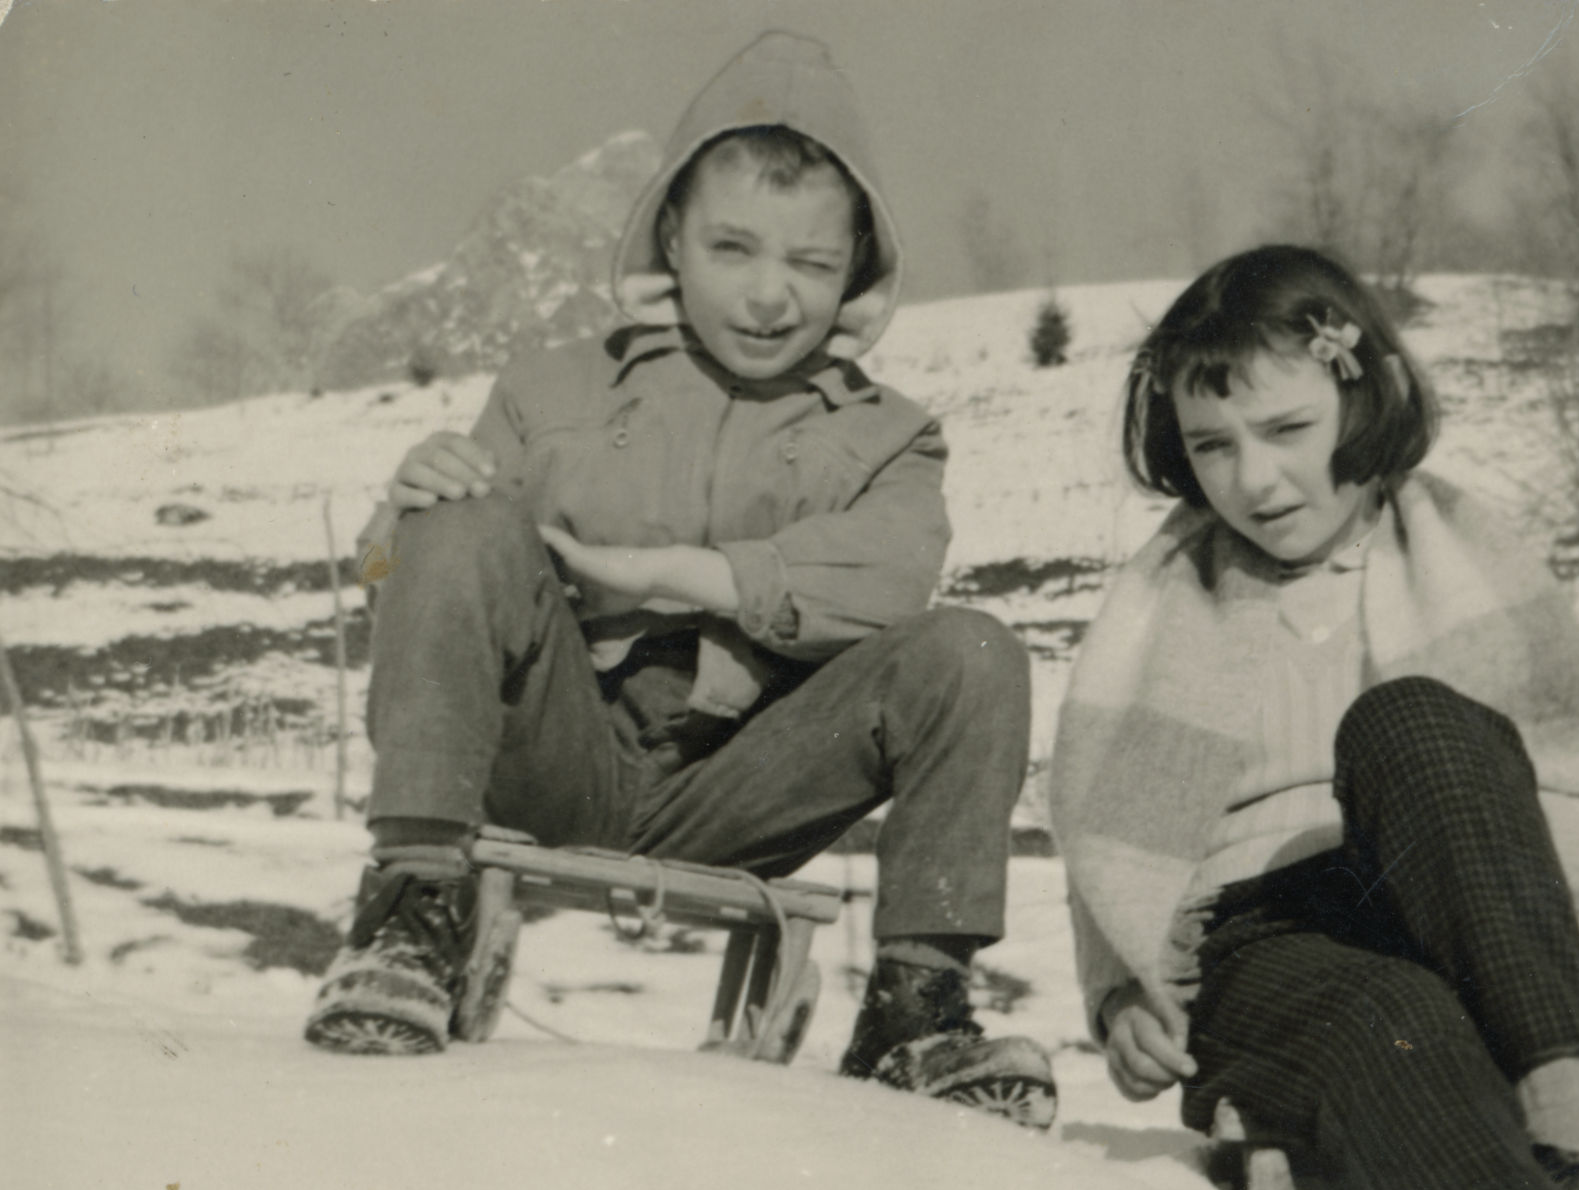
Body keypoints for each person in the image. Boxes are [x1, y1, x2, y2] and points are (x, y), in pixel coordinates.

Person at [302, 31, 1057, 1130]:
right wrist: (407, 507)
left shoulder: (891, 436)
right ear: (670, 236)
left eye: (810, 264)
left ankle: (917, 1004)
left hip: (743, 782)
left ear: (859, 272)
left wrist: (687, 574)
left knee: (972, 651)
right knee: (460, 515)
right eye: (733, 249)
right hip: (556, 750)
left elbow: (895, 580)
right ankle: (412, 911)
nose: (768, 297)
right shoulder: (549, 389)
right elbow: (422, 589)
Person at [1051, 246, 1579, 1190]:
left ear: (1359, 398)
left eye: (1286, 428)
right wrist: (1117, 991)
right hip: (1261, 946)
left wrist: (1476, 833)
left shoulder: (1463, 560)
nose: (1254, 480)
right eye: (1213, 446)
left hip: (1454, 916)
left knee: (1411, 724)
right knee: (1386, 1009)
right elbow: (1117, 831)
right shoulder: (1164, 599)